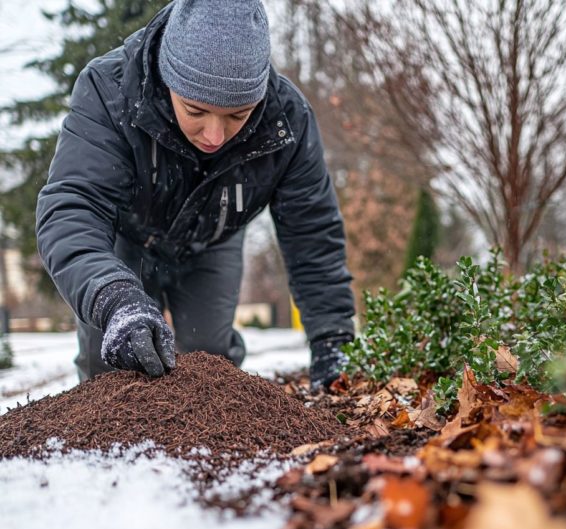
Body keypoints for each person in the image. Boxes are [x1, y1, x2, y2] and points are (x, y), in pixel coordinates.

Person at [35, 0, 355, 391]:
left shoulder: (287, 120)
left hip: (211, 240)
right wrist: (114, 297)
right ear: (169, 80)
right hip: (126, 237)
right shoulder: (109, 91)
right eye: (196, 110)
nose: (215, 136)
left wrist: (331, 340)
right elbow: (73, 207)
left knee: (209, 358)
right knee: (112, 363)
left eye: (238, 115)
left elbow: (312, 234)